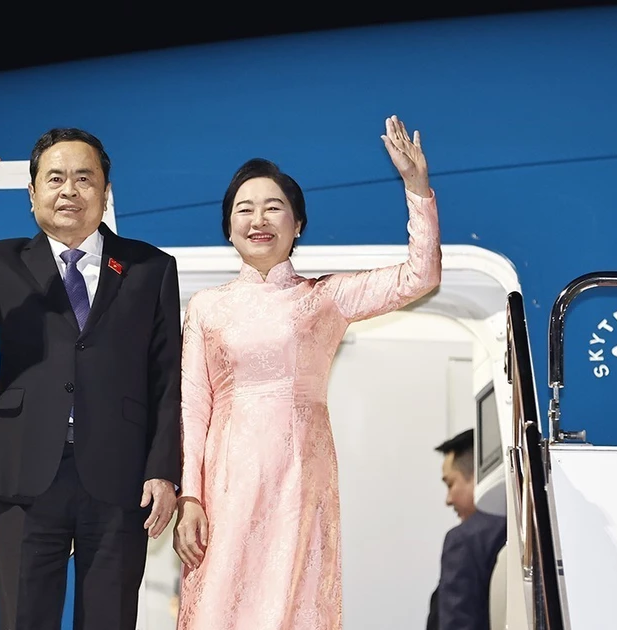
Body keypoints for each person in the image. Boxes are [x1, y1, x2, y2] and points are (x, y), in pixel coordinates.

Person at [171, 115, 443, 629]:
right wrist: (190, 497)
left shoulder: (323, 298)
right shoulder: (206, 308)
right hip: (225, 482)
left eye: (274, 207)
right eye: (244, 209)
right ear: (228, 227)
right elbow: (193, 408)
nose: (259, 218)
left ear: (298, 224)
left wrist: (417, 189)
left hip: (301, 476)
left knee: (292, 601)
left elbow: (420, 275)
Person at [0, 117, 182, 629]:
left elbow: (166, 378)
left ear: (105, 192)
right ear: (32, 193)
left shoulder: (152, 267)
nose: (70, 190)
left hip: (121, 474)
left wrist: (163, 469)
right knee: (23, 620)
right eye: (56, 178)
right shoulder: (4, 261)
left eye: (84, 178)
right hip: (26, 475)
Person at [427, 429, 506, 630]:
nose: (448, 499)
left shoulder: (465, 540)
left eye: (450, 484)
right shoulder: (522, 527)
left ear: (476, 476)